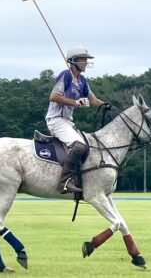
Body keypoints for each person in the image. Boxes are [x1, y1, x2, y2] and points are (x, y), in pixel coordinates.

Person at [45, 46, 109, 194]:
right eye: (83, 60)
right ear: (74, 61)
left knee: (88, 146)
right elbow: (53, 96)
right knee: (79, 146)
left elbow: (91, 99)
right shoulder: (66, 76)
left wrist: (105, 105)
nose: (86, 63)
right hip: (56, 119)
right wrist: (75, 102)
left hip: (68, 121)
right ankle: (64, 182)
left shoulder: (81, 81)